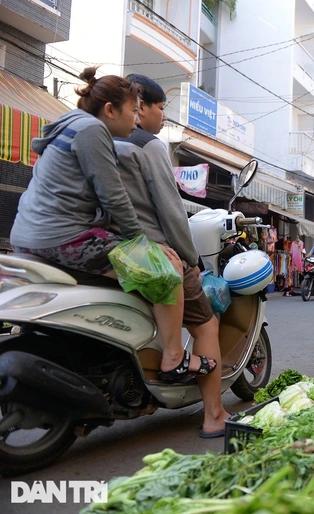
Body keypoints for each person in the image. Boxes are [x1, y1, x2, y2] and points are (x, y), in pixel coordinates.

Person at [9, 67, 210, 385]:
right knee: (165, 271)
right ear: (110, 110)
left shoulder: (68, 124)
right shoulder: (92, 131)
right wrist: (144, 246)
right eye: (132, 111)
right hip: (64, 237)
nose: (135, 119)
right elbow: (114, 197)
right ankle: (173, 358)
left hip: (26, 236)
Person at [114, 74, 228, 437]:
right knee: (206, 324)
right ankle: (214, 415)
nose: (164, 116)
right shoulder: (150, 146)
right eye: (161, 107)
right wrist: (191, 257)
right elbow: (172, 210)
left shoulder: (103, 141)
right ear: (140, 106)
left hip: (113, 250)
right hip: (155, 252)